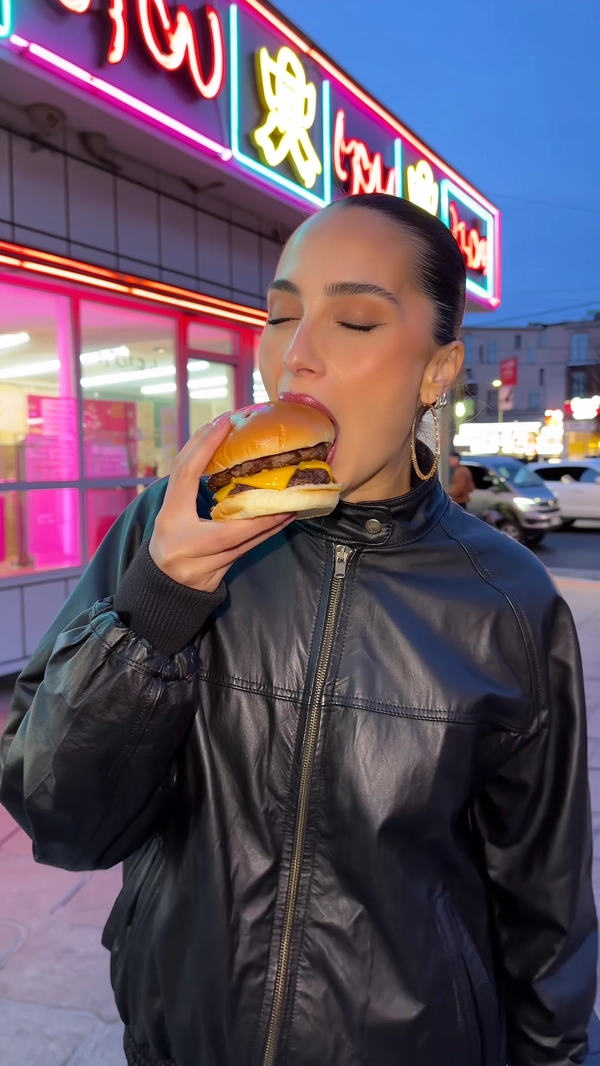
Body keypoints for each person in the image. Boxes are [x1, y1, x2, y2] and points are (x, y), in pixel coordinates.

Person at [0, 194, 596, 1066]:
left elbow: (546, 915)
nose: (296, 356)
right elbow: (62, 819)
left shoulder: (509, 600)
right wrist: (164, 598)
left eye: (353, 320)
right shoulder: (167, 529)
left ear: (437, 371)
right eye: (280, 315)